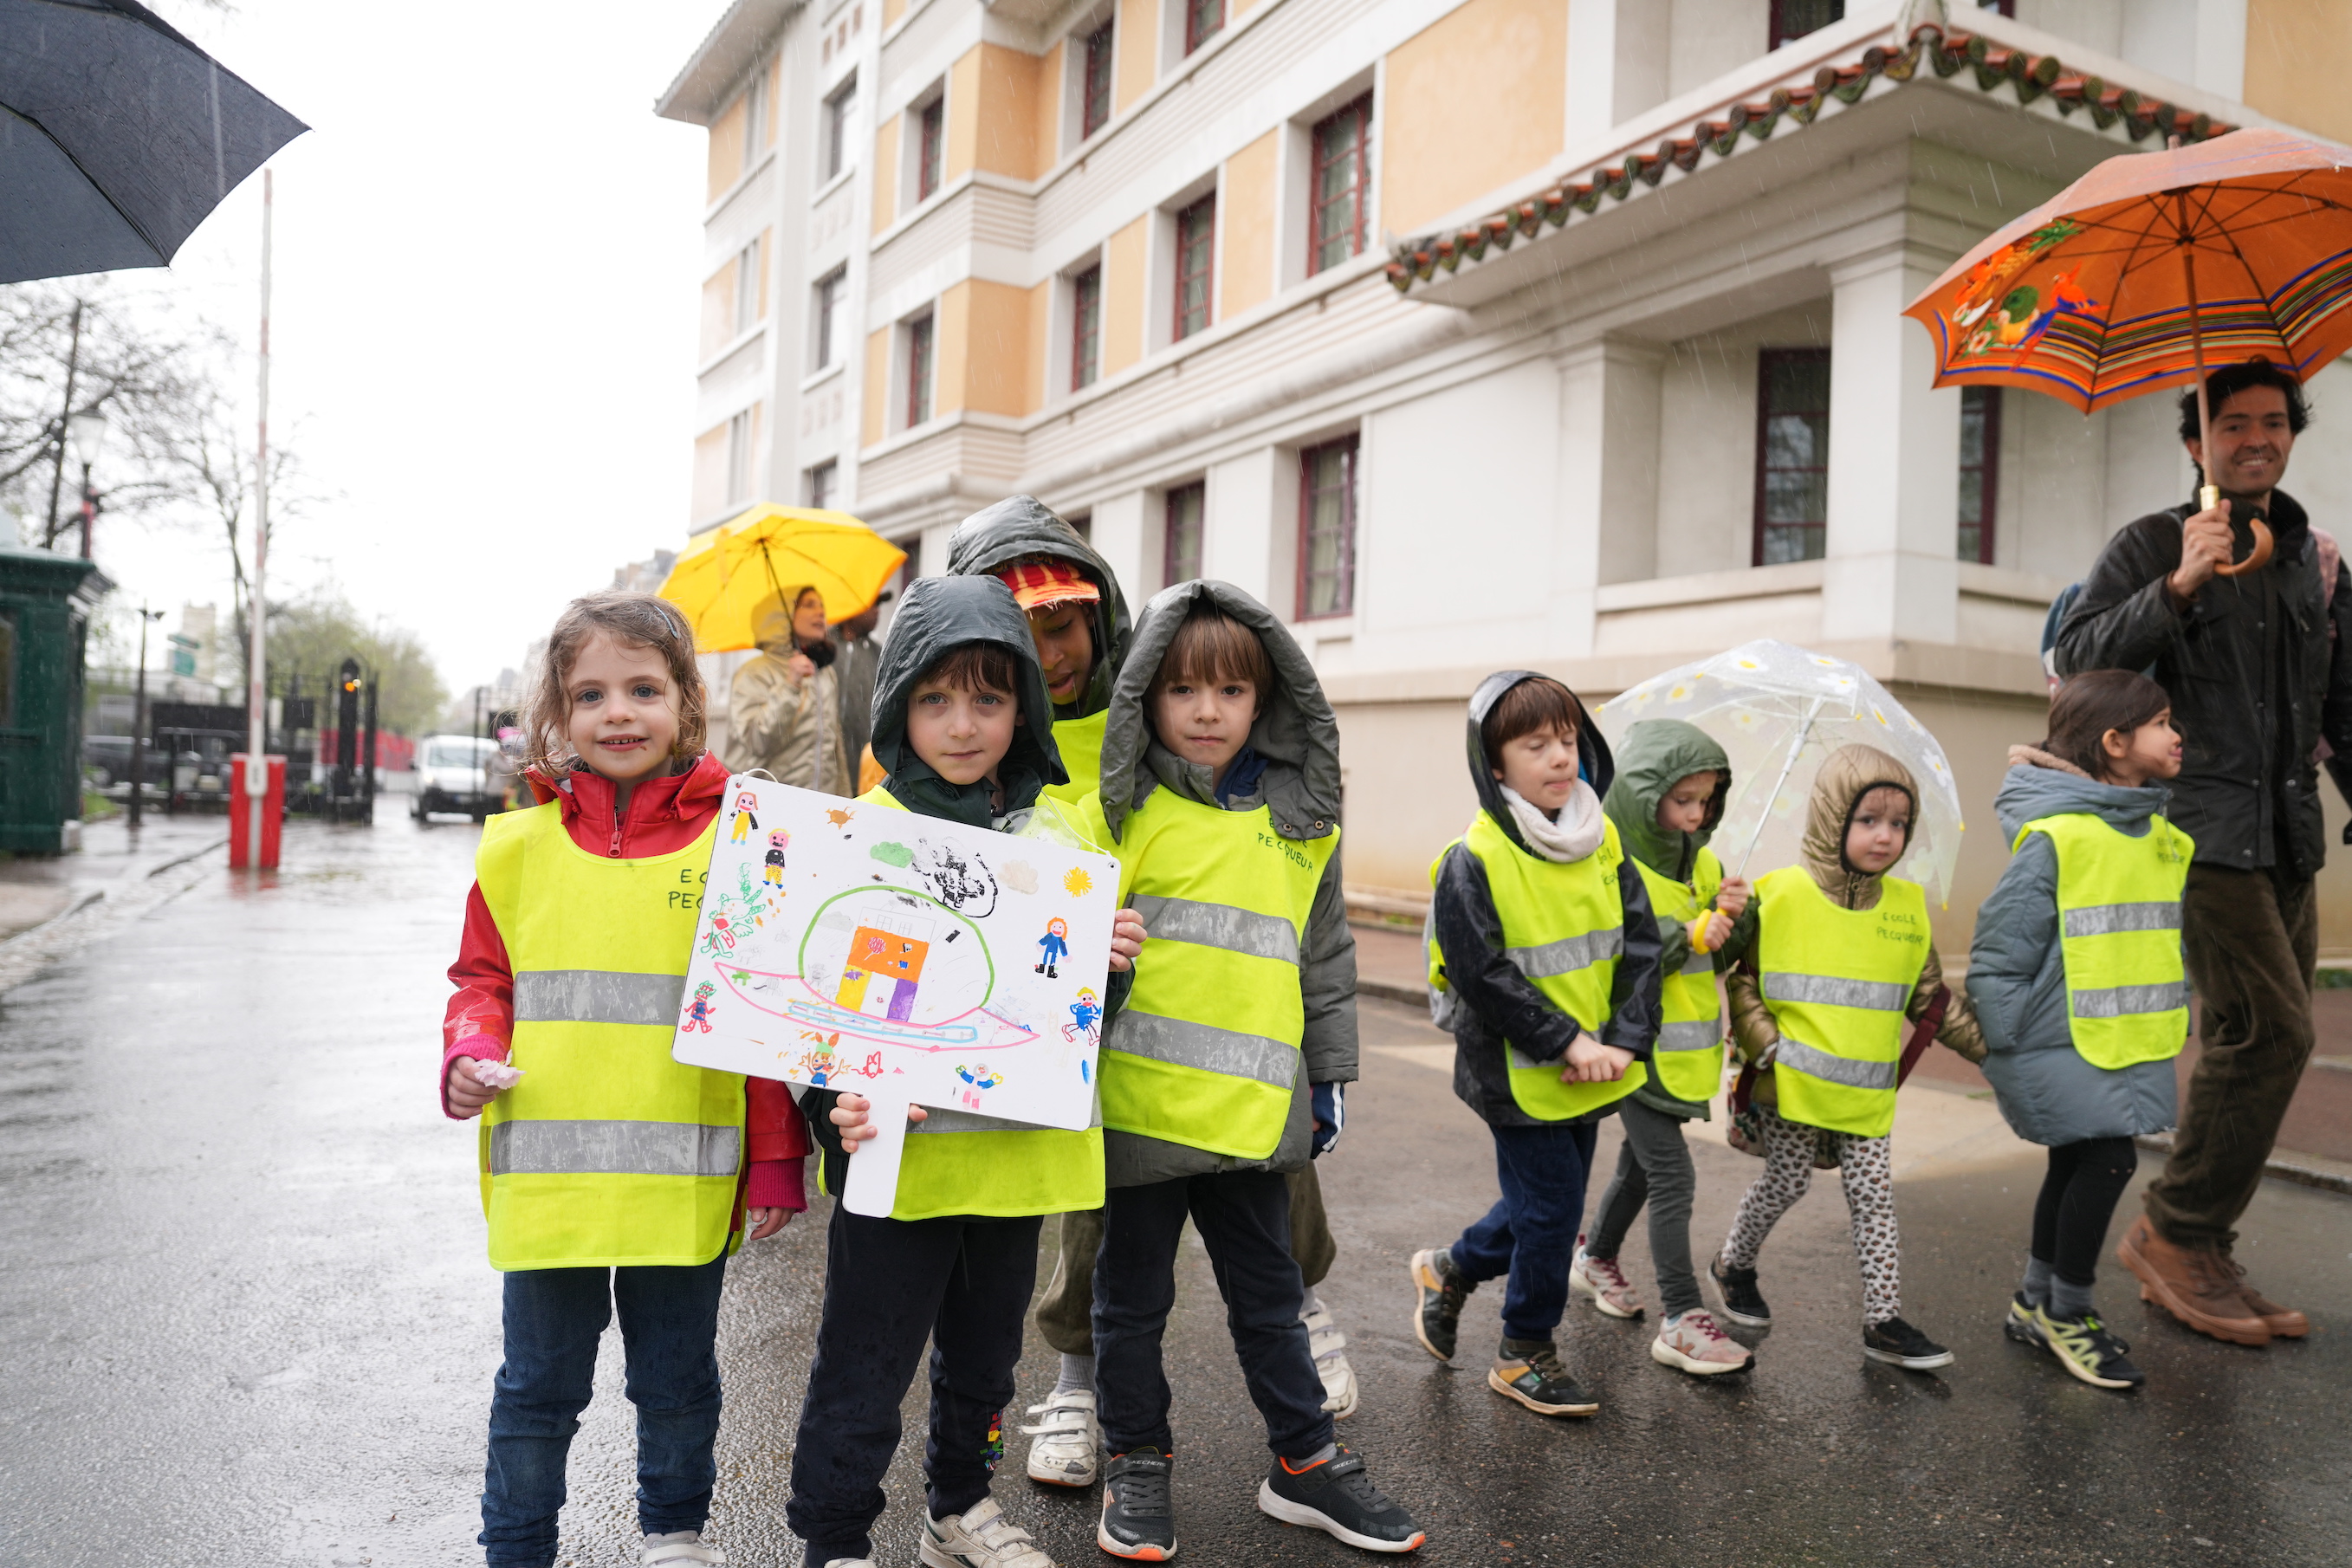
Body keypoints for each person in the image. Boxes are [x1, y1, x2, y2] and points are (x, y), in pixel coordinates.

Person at [946, 498, 1357, 1482]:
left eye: (1062, 623)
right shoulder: (965, 725)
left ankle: (1301, 1301)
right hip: (1056, 1007)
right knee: (1091, 1207)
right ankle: (1080, 1377)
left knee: (1273, 1130)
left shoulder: (1143, 704)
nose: (1046, 651)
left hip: (1214, 1003)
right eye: (1020, 626)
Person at [439, 590, 810, 1568]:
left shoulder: (740, 843)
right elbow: (482, 981)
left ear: (688, 703)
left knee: (679, 1379)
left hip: (680, 1189)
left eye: (644, 689)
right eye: (590, 693)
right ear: (556, 716)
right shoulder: (515, 850)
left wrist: (775, 1158)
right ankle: (515, 1547)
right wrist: (466, 1056)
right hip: (551, 1187)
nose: (618, 713)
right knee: (537, 1388)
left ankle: (674, 1538)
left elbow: (761, 1013)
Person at [786, 574, 1145, 1568]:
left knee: (986, 1364)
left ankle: (958, 1508)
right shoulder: (858, 836)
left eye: (989, 698)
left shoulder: (1060, 840)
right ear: (898, 702)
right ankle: (835, 1534)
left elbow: (1071, 1023)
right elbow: (810, 1000)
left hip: (1013, 1168)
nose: (962, 723)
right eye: (936, 698)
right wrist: (830, 1101)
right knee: (865, 1362)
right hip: (897, 1166)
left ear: (1025, 705)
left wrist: (1108, 967)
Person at [1086, 583, 1423, 1558]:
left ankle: (1306, 1463)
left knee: (1273, 1301)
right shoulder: (1118, 817)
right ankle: (1137, 1461)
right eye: (1183, 687)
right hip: (1139, 1116)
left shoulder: (1298, 823)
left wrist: (1328, 1078)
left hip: (1254, 1119)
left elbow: (1324, 957)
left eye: (1231, 689)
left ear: (1265, 699)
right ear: (1146, 694)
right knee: (1130, 1305)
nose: (1205, 710)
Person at [2052, 358, 2344, 1346]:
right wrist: (2177, 584)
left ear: (2292, 434)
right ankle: (2175, 1233)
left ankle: (2202, 1240)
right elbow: (2081, 666)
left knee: (2243, 1036)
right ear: (2196, 444)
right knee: (2276, 1033)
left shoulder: (2312, 553)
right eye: (2232, 424)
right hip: (2196, 832)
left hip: (2288, 834)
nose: (2254, 437)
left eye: (2273, 421)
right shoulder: (2152, 543)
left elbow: (2339, 701)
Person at [1409, 673, 1663, 1417]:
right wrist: (1566, 1042)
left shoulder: (1601, 836)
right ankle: (1524, 1352)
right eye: (1535, 745)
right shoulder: (1473, 859)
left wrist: (1620, 1039)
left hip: (1591, 1064)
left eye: (1566, 740)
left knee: (1541, 1207)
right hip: (1516, 1070)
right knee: (1553, 1211)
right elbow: (1481, 975)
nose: (1559, 757)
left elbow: (1639, 946)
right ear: (1494, 766)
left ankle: (1450, 1270)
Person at [1706, 745, 1987, 1371]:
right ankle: (1732, 1264)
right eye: (1867, 820)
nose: (1884, 837)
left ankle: (1883, 1321)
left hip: (1865, 1094)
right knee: (1787, 1181)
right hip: (1789, 1081)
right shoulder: (1775, 895)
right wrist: (1763, 1041)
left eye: (1897, 824)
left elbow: (1930, 1002)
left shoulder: (1908, 911)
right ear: (1834, 819)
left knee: (1873, 1199)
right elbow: (1737, 977)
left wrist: (1995, 1053)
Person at [1969, 671, 2193, 1390]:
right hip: (2055, 1035)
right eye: (2161, 722)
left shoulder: (2157, 835)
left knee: (2074, 1161)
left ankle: (2035, 1301)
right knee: (2108, 1162)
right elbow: (2001, 946)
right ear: (2114, 742)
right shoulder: (2061, 838)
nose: (2176, 734)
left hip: (2125, 1034)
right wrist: (2004, 1039)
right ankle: (2069, 1312)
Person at [1571, 718, 1754, 1377]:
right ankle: (1681, 1316)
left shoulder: (1704, 861)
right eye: (1682, 800)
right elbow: (1625, 958)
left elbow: (1721, 954)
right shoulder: (1616, 866)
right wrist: (1688, 935)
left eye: (1707, 800)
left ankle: (1593, 1257)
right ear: (1646, 796)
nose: (1696, 814)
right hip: (1636, 1049)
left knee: (1642, 1169)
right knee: (1673, 1174)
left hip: (1686, 1055)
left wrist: (1737, 916)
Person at [731, 586, 852, 794]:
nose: (821, 612)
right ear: (782, 616)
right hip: (769, 801)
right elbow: (757, 743)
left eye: (821, 605)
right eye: (809, 605)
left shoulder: (824, 673)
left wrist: (843, 797)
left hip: (822, 803)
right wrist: (790, 685)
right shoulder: (754, 673)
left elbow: (834, 747)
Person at [831, 592, 887, 774]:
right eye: (873, 604)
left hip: (863, 767)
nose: (877, 611)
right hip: (825, 766)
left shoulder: (880, 654)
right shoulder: (823, 648)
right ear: (852, 606)